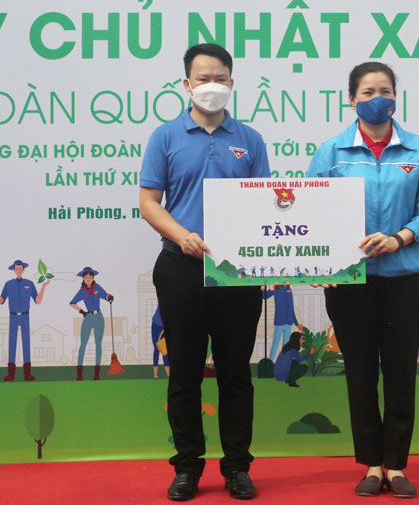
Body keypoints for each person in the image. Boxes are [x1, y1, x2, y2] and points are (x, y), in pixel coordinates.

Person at [307, 62, 419, 499]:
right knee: (361, 375)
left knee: (401, 375)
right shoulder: (331, 152)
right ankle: (371, 466)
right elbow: (310, 215)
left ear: (395, 97)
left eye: (385, 90)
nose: (377, 99)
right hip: (350, 285)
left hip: (404, 279)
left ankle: (398, 466)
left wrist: (400, 237)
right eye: (367, 92)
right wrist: (318, 265)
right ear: (351, 99)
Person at [139, 43, 270, 501]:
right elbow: (149, 203)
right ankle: (187, 467)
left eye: (220, 78)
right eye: (202, 78)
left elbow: (264, 205)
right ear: (186, 84)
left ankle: (237, 467)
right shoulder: (165, 137)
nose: (211, 86)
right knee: (185, 374)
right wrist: (182, 236)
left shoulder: (250, 139)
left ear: (232, 83)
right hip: (180, 268)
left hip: (236, 271)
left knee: (236, 374)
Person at [0, 260, 50, 381]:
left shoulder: (29, 284)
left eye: (20, 268)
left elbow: (37, 300)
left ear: (24, 269)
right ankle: (11, 374)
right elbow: (2, 299)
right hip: (13, 316)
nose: (19, 270)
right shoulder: (8, 284)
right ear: (14, 270)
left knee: (26, 343)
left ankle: (27, 374)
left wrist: (43, 287)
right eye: (17, 268)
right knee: (12, 343)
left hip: (25, 316)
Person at [69, 266, 115, 381]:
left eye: (90, 276)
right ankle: (79, 374)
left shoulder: (97, 287)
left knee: (98, 344)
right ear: (83, 279)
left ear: (93, 278)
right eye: (86, 277)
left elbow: (105, 295)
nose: (88, 278)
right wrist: (82, 311)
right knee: (83, 344)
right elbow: (72, 303)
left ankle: (96, 374)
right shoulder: (82, 291)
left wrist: (109, 297)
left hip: (98, 317)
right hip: (88, 317)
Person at [264, 284, 300, 362]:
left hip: (288, 322)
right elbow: (264, 296)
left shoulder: (288, 288)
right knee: (275, 345)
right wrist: (264, 288)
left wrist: (296, 323)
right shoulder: (276, 287)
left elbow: (291, 307)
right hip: (279, 322)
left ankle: (283, 364)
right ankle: (270, 363)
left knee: (286, 346)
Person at [151, 303, 170, 379]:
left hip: (164, 326)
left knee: (165, 350)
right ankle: (155, 374)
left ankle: (168, 374)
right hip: (156, 325)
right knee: (156, 349)